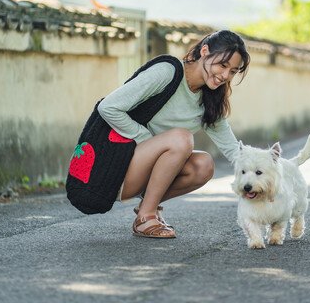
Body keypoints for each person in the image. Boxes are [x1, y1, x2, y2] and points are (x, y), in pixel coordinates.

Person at [97, 30, 250, 238]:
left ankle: (148, 205)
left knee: (203, 165)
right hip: (115, 169)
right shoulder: (167, 72)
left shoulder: (210, 98)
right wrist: (148, 140)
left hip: (145, 173)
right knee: (182, 138)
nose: (225, 76)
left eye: (233, 71)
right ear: (204, 51)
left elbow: (234, 151)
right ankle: (146, 217)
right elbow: (108, 107)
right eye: (222, 65)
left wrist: (270, 173)